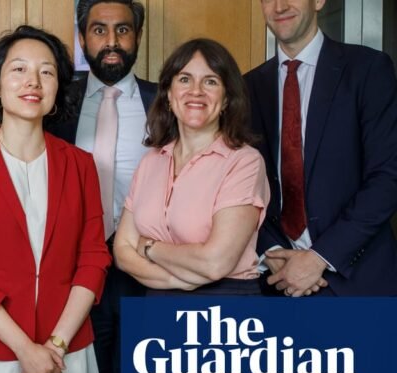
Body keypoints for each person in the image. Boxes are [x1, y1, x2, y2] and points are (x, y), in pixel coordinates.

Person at [0, 25, 110, 373]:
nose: (33, 81)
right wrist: (25, 349)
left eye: (46, 72)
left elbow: (93, 259)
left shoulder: (81, 166)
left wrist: (55, 346)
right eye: (19, 69)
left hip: (66, 354)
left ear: (57, 89)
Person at [245, 0, 397, 296]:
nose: (279, 6)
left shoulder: (368, 69)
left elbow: (388, 175)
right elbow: (240, 186)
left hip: (358, 283)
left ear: (318, 1)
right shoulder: (247, 87)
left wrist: (320, 257)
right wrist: (270, 251)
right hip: (278, 283)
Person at [46, 0, 156, 373]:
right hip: (73, 272)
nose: (112, 41)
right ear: (81, 38)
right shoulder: (55, 102)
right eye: (99, 30)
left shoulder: (166, 102)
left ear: (138, 36)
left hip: (147, 270)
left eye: (123, 30)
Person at [114, 38, 270, 296]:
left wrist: (150, 248)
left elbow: (215, 263)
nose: (196, 91)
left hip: (225, 305)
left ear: (227, 98)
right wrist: (177, 281)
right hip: (157, 303)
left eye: (210, 81)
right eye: (185, 79)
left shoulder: (244, 162)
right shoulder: (151, 161)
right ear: (168, 94)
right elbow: (122, 252)